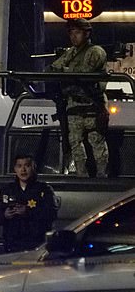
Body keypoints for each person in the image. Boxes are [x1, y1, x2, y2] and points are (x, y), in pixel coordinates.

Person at [49, 18, 109, 177]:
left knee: (97, 141)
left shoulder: (95, 51)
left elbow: (84, 72)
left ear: (87, 33)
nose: (73, 36)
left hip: (92, 104)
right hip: (74, 104)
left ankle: (102, 175)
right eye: (71, 33)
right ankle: (82, 174)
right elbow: (53, 68)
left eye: (77, 32)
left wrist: (66, 70)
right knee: (74, 142)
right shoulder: (71, 52)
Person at [0, 154, 58, 253]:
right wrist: (5, 215)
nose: (23, 170)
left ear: (33, 167)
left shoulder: (44, 190)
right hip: (12, 245)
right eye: (19, 166)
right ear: (15, 169)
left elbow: (51, 214)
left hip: (36, 244)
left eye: (27, 165)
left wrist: (28, 211)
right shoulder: (7, 190)